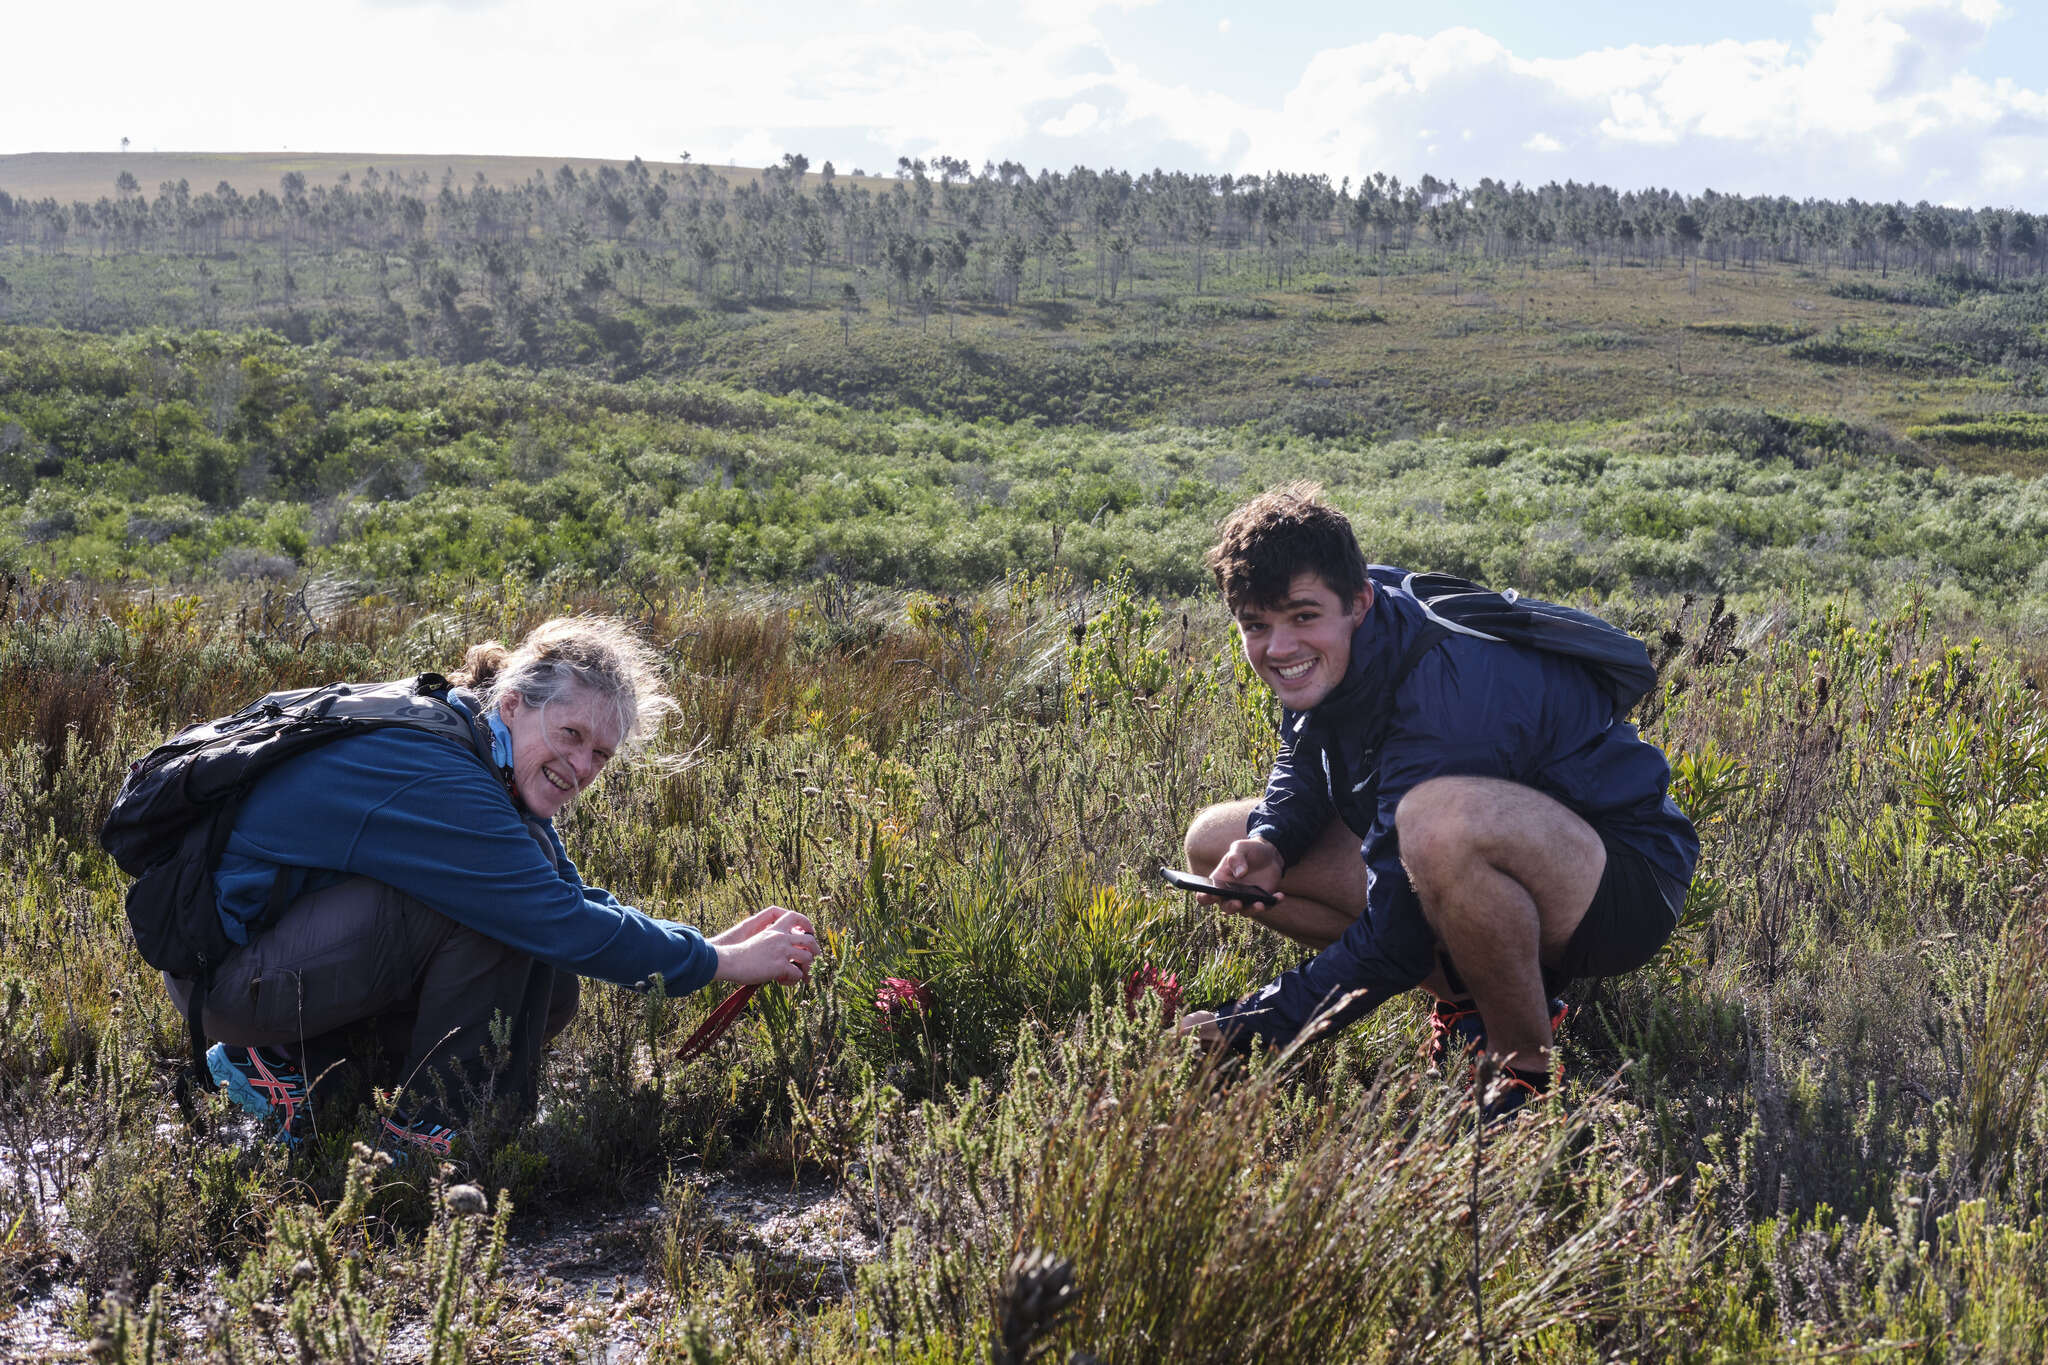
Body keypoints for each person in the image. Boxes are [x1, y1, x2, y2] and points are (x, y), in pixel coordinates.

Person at [166, 615, 818, 1157]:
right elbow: (553, 914)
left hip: (275, 957)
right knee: (497, 918)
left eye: (601, 753)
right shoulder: (447, 774)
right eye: (570, 734)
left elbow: (569, 898)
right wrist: (717, 963)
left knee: (547, 986)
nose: (583, 766)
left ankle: (311, 1077)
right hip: (227, 978)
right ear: (513, 704)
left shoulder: (482, 748)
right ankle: (415, 1139)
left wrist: (701, 945)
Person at [1175, 486, 1697, 1116]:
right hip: (1510, 855)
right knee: (1215, 845)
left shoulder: (1444, 685)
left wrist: (1250, 1028)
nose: (1279, 647)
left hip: (1622, 881)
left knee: (1436, 825)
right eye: (1257, 625)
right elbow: (1308, 749)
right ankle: (1471, 996)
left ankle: (1523, 1072)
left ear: (1359, 601)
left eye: (1302, 617)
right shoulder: (1348, 636)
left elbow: (1395, 935)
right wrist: (1272, 840)